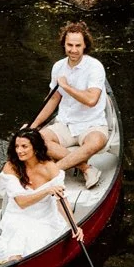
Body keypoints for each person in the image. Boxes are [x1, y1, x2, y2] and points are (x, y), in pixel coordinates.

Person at [32, 21, 109, 181]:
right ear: (64, 45)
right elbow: (53, 99)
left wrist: (66, 87)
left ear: (84, 46)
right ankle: (85, 168)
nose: (73, 50)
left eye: (78, 45)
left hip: (92, 123)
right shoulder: (58, 67)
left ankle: (52, 172)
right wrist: (32, 126)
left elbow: (92, 100)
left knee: (96, 142)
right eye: (69, 45)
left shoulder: (95, 67)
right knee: (37, 140)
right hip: (65, 123)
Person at [0, 128, 76, 262]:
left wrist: (74, 226)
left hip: (45, 218)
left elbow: (61, 200)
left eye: (24, 146)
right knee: (17, 244)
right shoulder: (11, 166)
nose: (19, 150)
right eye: (17, 146)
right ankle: (13, 265)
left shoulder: (50, 167)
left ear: (35, 148)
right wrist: (47, 190)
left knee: (36, 239)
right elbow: (21, 202)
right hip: (17, 216)